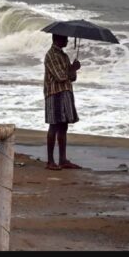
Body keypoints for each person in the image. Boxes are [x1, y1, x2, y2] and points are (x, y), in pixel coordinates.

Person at [43, 34, 82, 170]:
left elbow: (72, 78)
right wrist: (73, 69)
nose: (67, 40)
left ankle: (62, 159)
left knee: (63, 126)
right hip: (54, 93)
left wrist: (73, 69)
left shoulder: (64, 56)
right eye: (65, 38)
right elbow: (60, 76)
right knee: (54, 125)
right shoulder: (51, 55)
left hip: (65, 92)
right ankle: (50, 161)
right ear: (57, 39)